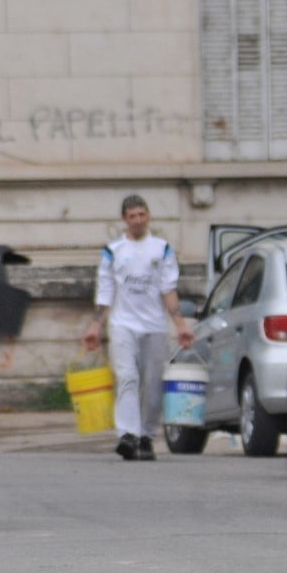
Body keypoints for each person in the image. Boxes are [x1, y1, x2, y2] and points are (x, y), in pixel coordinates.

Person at [82, 194, 195, 461]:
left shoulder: (162, 248)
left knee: (153, 382)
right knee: (128, 377)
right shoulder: (113, 251)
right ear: (124, 219)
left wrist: (180, 325)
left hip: (154, 325)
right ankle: (128, 434)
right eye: (132, 216)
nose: (137, 221)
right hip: (123, 324)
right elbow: (106, 291)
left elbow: (168, 289)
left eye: (142, 215)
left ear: (149, 216)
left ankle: (146, 436)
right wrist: (95, 326)